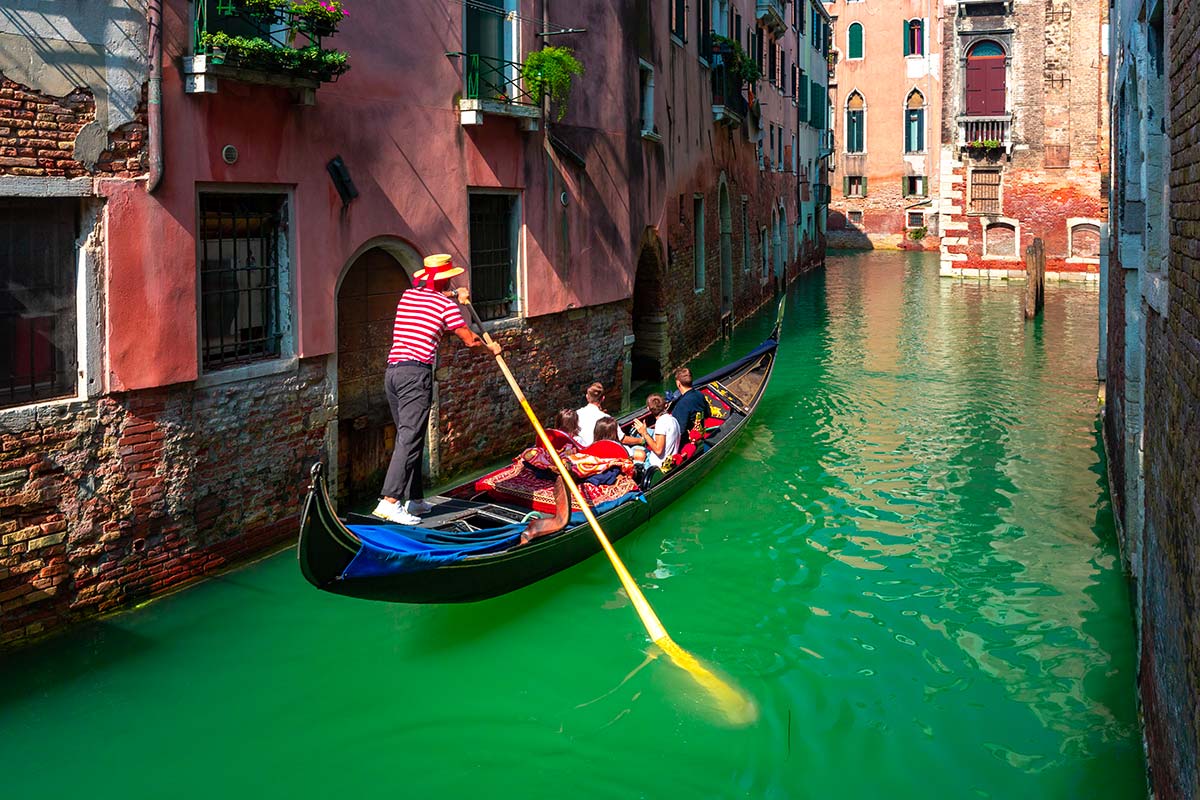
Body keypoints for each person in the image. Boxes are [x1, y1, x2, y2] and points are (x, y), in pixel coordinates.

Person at [373, 254, 501, 525]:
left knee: (411, 436)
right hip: (415, 376)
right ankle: (389, 502)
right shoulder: (446, 306)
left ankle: (415, 500)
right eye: (451, 278)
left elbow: (433, 297)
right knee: (409, 438)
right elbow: (469, 340)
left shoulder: (408, 296)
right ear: (446, 279)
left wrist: (455, 294)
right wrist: (491, 347)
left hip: (393, 374)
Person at [631, 393, 680, 468]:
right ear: (665, 405)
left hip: (655, 465)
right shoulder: (673, 419)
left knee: (631, 452)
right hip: (669, 459)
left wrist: (644, 433)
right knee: (638, 448)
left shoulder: (661, 423)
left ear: (648, 409)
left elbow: (658, 450)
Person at [669, 366, 708, 441]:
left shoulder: (681, 404)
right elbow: (707, 414)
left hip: (687, 441)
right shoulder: (700, 394)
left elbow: (680, 431)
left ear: (678, 383)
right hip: (700, 434)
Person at [575, 382, 609, 447]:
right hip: (597, 451)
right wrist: (635, 440)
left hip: (582, 449)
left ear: (587, 397)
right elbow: (622, 439)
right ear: (603, 398)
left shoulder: (576, 413)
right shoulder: (606, 418)